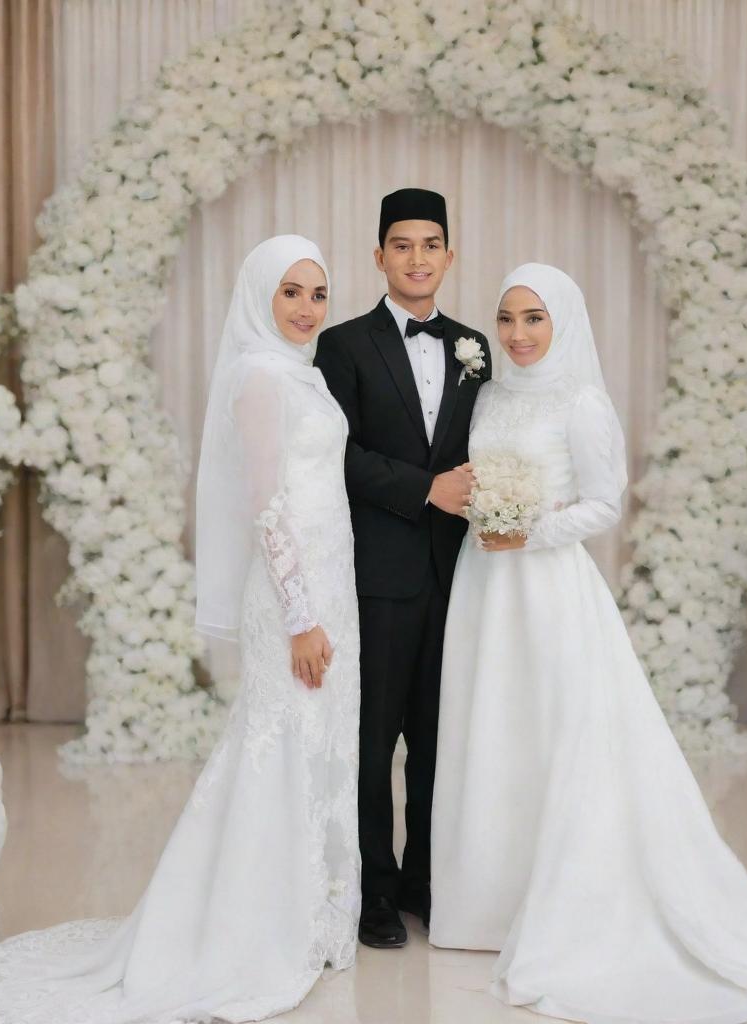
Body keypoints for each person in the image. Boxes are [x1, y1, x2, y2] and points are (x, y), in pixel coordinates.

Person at [430, 263, 747, 1022]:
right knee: (491, 732)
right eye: (507, 318)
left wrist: (531, 530)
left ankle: (562, 903)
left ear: (563, 322)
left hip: (545, 587)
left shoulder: (582, 401)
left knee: (555, 736)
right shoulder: (488, 393)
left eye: (534, 318)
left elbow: (606, 503)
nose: (517, 333)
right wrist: (485, 517)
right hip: (482, 588)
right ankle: (483, 908)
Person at [0, 235, 362, 1024]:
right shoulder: (260, 379)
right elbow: (267, 505)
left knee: (323, 740)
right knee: (280, 738)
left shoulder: (304, 376)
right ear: (259, 296)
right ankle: (253, 922)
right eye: (290, 293)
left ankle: (313, 911)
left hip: (335, 586)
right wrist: (301, 616)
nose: (306, 309)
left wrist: (328, 601)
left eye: (317, 294)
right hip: (295, 598)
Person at [314, 188, 491, 948]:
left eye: (430, 245)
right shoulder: (344, 345)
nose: (417, 258)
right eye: (401, 245)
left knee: (438, 738)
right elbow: (335, 454)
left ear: (449, 256)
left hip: (461, 577)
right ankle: (373, 896)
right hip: (378, 577)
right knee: (373, 740)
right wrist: (426, 489)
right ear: (379, 255)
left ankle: (425, 880)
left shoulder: (478, 346)